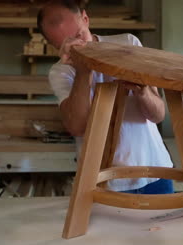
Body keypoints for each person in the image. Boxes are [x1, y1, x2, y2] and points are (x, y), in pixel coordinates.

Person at [37, 0, 174, 194]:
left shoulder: (128, 44)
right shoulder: (60, 72)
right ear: (54, 46)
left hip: (155, 170)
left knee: (165, 224)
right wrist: (83, 72)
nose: (78, 46)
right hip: (103, 180)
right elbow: (77, 127)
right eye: (66, 44)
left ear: (85, 19)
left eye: (79, 35)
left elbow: (158, 115)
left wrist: (142, 91)